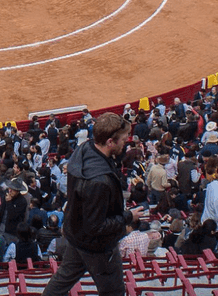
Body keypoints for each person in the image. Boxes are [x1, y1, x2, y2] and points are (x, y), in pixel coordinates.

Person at [41, 113, 130, 296]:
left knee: (61, 280)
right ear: (110, 142)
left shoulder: (84, 148)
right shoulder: (99, 181)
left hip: (76, 235)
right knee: (114, 292)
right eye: (122, 140)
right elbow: (96, 226)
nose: (125, 143)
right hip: (98, 247)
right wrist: (127, 218)